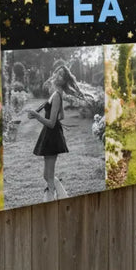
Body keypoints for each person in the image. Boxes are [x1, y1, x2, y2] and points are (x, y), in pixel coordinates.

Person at [28, 64, 86, 202]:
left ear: (64, 81)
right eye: (57, 73)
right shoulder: (56, 93)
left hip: (52, 137)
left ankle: (51, 198)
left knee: (49, 175)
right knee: (46, 175)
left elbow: (52, 123)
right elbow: (61, 116)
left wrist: (37, 116)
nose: (57, 76)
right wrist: (46, 114)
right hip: (50, 135)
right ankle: (60, 193)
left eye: (61, 75)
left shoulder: (57, 96)